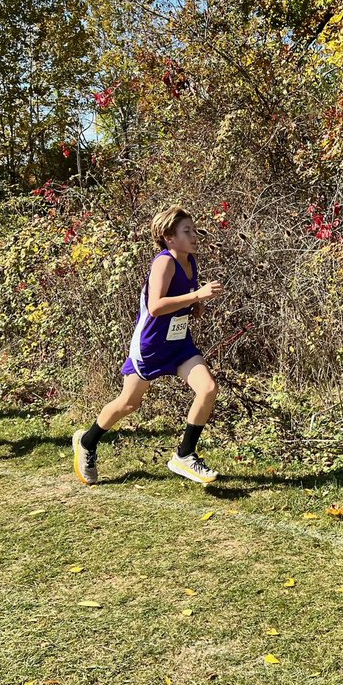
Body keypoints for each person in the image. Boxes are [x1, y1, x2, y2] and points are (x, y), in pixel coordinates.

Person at [72, 206, 223, 486]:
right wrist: (197, 295)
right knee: (129, 403)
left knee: (208, 388)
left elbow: (182, 296)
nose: (194, 236)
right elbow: (155, 306)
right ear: (169, 237)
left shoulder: (190, 261)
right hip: (151, 345)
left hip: (179, 344)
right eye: (186, 231)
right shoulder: (163, 262)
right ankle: (87, 441)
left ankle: (185, 455)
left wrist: (196, 303)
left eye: (194, 229)